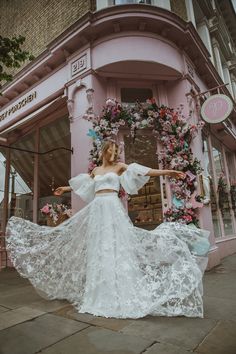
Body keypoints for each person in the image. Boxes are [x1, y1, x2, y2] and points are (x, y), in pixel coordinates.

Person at [6, 140, 210, 319]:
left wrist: (168, 172)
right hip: (97, 209)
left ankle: (121, 291)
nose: (113, 154)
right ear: (104, 151)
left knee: (117, 246)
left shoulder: (120, 166)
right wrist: (65, 189)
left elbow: (144, 171)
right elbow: (86, 183)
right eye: (111, 151)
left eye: (115, 151)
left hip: (112, 207)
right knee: (98, 248)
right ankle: (99, 293)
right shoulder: (96, 171)